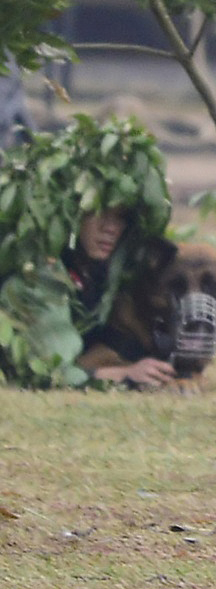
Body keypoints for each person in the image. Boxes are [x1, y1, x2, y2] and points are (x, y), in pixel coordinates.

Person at [0, 114, 176, 389]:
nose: (110, 228)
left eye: (121, 217)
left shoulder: (108, 265)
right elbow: (55, 372)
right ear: (71, 212)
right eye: (98, 212)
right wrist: (123, 375)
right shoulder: (39, 272)